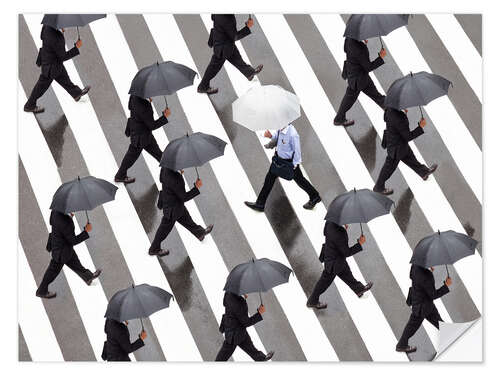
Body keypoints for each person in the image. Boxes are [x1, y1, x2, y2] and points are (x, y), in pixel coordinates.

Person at [245, 124, 321, 212]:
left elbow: (297, 151)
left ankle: (314, 196)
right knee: (268, 180)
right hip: (278, 160)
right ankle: (260, 204)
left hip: (289, 163)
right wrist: (270, 136)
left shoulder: (293, 134)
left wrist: (295, 165)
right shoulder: (281, 128)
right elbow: (277, 137)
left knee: (300, 180)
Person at [24, 25, 90, 114]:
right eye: (64, 25)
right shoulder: (56, 37)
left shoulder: (47, 26)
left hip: (51, 60)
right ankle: (29, 105)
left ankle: (76, 93)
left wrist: (60, 31)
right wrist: (76, 48)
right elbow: (63, 56)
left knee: (64, 78)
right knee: (40, 87)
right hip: (50, 67)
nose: (66, 27)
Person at [307, 222, 373, 309]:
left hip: (333, 256)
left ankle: (359, 289)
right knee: (324, 282)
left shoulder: (329, 223)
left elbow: (326, 233)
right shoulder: (339, 234)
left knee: (346, 273)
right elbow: (346, 252)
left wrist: (342, 227)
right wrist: (359, 244)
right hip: (333, 263)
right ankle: (312, 301)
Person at [36, 210, 101, 299]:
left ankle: (88, 277)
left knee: (76, 263)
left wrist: (69, 216)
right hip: (61, 252)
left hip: (61, 246)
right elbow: (73, 240)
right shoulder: (66, 222)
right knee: (52, 272)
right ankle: (41, 291)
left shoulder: (55, 211)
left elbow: (52, 222)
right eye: (73, 210)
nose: (75, 211)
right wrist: (86, 231)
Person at [149, 168, 213, 256]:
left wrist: (179, 172)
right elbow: (184, 197)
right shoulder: (175, 179)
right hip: (172, 209)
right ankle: (154, 249)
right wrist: (196, 188)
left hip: (175, 203)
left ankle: (200, 233)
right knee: (164, 230)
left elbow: (161, 179)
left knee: (187, 219)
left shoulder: (165, 168)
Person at [373, 108, 437, 195]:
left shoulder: (390, 109)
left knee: (410, 158)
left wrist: (404, 113)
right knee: (389, 168)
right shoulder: (399, 118)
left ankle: (423, 172)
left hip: (399, 143)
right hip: (396, 148)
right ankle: (378, 187)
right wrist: (420, 127)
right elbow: (408, 136)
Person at [197, 14, 263, 95]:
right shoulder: (226, 18)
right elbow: (235, 36)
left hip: (224, 42)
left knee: (236, 57)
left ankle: (249, 73)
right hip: (222, 46)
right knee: (214, 67)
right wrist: (247, 27)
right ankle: (202, 87)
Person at [114, 96, 171, 184]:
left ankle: (169, 171)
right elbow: (152, 125)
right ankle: (119, 176)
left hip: (141, 133)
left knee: (158, 154)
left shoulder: (134, 96)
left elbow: (134, 109)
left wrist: (148, 101)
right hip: (140, 138)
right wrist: (165, 117)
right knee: (130, 158)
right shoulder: (145, 106)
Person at [396, 265, 452, 353]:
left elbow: (412, 276)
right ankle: (401, 345)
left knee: (436, 320)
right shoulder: (426, 276)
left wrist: (428, 270)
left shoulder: (415, 266)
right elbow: (433, 294)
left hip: (421, 301)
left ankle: (448, 333)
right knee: (412, 326)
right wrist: (446, 286)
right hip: (422, 307)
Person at [333, 38, 386, 126]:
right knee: (350, 99)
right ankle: (339, 119)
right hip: (359, 79)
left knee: (373, 94)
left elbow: (346, 49)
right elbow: (368, 67)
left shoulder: (348, 39)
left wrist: (361, 43)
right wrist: (380, 57)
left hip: (353, 74)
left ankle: (387, 107)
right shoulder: (360, 49)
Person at [216, 292, 274, 361]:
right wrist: (259, 313)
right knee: (223, 356)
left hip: (236, 329)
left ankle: (261, 358)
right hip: (234, 334)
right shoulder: (239, 303)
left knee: (250, 347)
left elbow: (232, 311)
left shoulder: (228, 294)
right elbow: (246, 322)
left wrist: (242, 296)